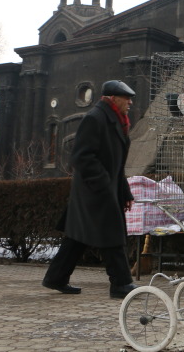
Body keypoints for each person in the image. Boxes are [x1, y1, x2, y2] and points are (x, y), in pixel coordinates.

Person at [42, 80, 138, 298]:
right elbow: (82, 156)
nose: (130, 102)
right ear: (113, 99)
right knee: (112, 235)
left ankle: (55, 278)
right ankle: (121, 284)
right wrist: (103, 183)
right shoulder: (95, 118)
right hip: (93, 190)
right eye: (127, 98)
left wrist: (124, 191)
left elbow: (116, 164)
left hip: (102, 188)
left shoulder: (115, 119)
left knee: (77, 236)